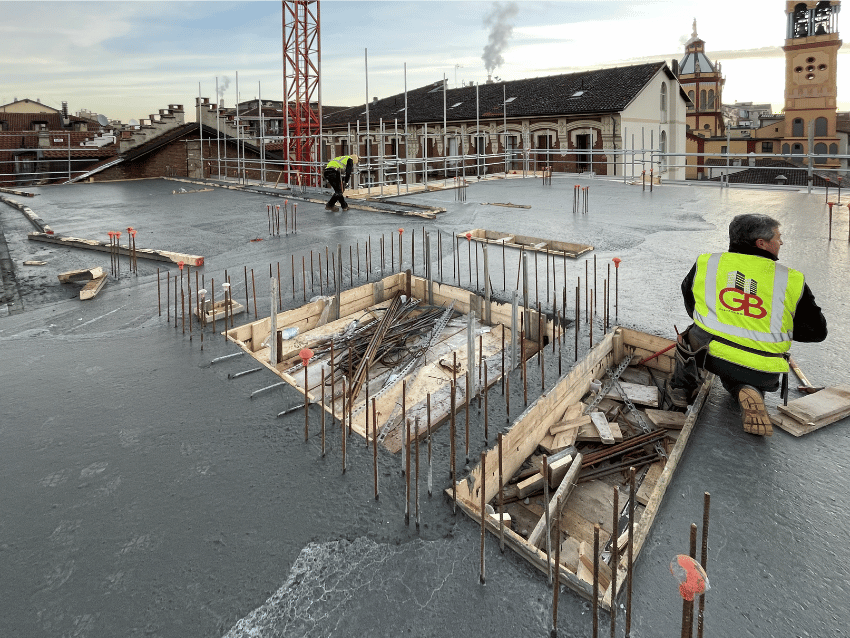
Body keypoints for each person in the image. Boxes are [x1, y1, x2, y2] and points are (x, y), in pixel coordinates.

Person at [671, 213, 827, 436]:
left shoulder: (708, 262)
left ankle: (681, 389)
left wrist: (715, 321)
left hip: (713, 357)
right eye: (778, 237)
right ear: (761, 244)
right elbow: (817, 332)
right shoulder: (791, 279)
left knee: (690, 335)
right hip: (766, 370)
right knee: (744, 369)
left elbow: (691, 302)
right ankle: (749, 388)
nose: (781, 242)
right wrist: (772, 327)